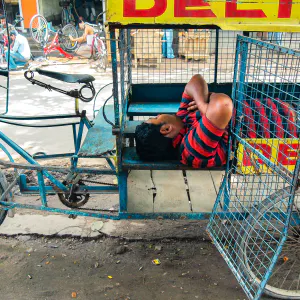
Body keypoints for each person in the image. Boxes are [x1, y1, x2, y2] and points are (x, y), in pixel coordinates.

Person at [135, 74, 233, 168]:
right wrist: (209, 99)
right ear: (166, 129)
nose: (159, 115)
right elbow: (223, 104)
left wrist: (202, 104)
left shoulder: (182, 118)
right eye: (156, 118)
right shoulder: (192, 149)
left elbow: (196, 80)